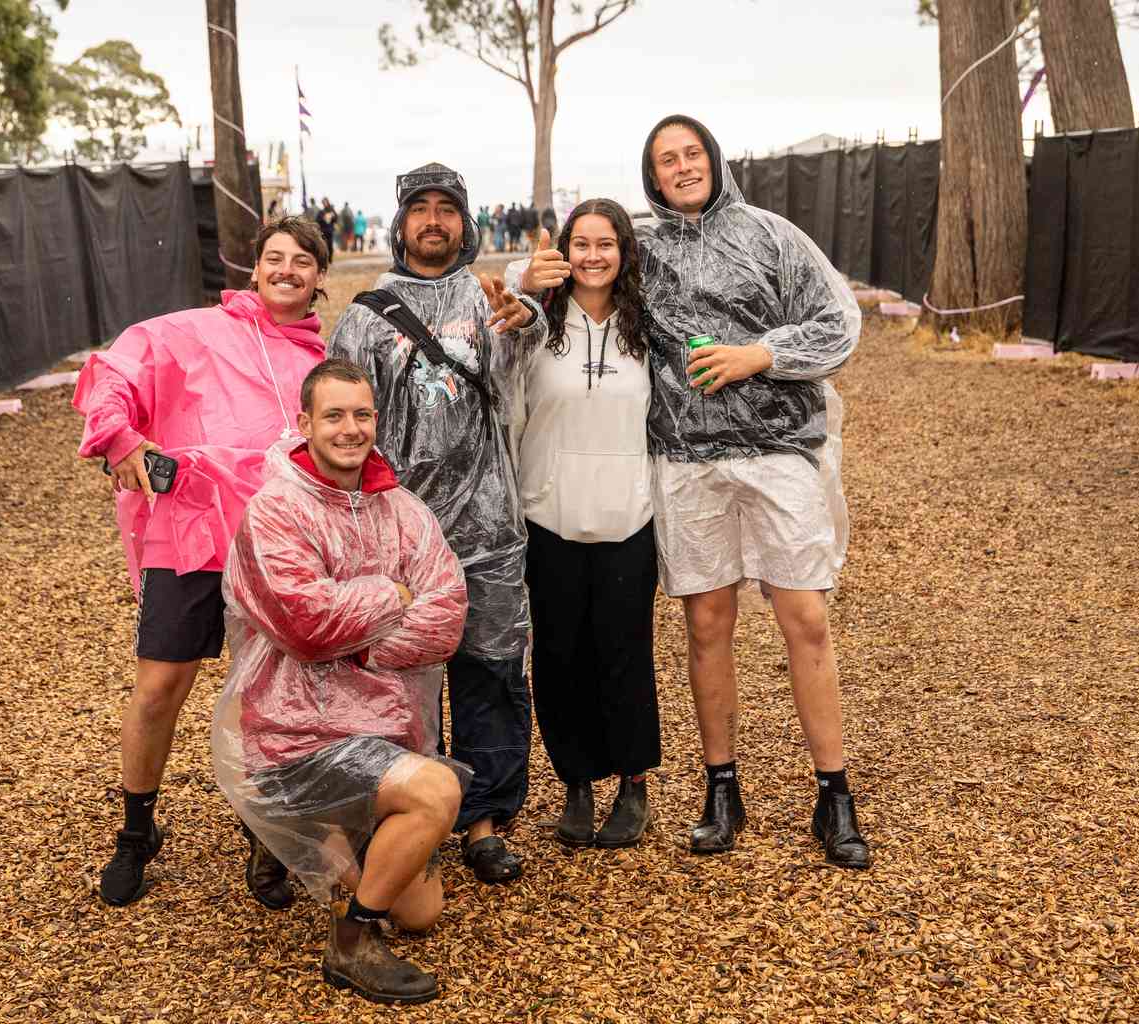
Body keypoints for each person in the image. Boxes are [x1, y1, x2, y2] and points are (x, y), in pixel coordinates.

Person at [520, 114, 870, 869]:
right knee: (707, 625)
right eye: (665, 159)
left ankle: (833, 793)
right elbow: (583, 265)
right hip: (684, 462)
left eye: (691, 153)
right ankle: (722, 789)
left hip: (778, 451)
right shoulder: (642, 249)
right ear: (650, 175)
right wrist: (528, 280)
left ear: (713, 158)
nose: (682, 167)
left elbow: (839, 322)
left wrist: (760, 355)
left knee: (806, 618)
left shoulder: (772, 236)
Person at [74, 216, 331, 907]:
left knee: (271, 694)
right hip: (188, 530)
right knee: (161, 685)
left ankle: (266, 834)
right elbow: (117, 369)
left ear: (319, 277)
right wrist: (120, 438)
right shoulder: (195, 332)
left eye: (301, 260)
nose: (285, 270)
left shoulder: (321, 365)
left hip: (278, 546)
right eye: (274, 257)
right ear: (255, 268)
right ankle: (136, 831)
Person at [212, 359, 469, 1004]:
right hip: (296, 739)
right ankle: (351, 939)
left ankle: (306, 842)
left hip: (385, 733)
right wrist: (392, 594)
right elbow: (306, 624)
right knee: (438, 793)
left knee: (422, 913)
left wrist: (359, 648)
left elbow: (445, 618)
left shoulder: (403, 510)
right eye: (333, 415)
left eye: (361, 414)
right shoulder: (275, 512)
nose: (350, 429)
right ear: (305, 423)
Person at [328, 162, 545, 885]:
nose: (432, 220)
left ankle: (483, 823)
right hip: (398, 540)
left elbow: (521, 368)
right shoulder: (366, 314)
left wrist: (525, 319)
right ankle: (409, 818)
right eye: (418, 208)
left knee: (491, 674)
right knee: (398, 686)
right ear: (400, 223)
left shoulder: (489, 299)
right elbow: (339, 420)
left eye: (445, 208)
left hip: (489, 531)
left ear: (464, 222)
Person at [505, 199, 661, 848]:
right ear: (563, 251)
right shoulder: (536, 324)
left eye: (606, 244)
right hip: (550, 514)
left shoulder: (647, 327)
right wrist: (522, 282)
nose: (593, 256)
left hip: (628, 515)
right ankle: (576, 781)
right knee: (560, 656)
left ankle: (632, 783)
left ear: (624, 252)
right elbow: (496, 317)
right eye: (581, 244)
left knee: (624, 654)